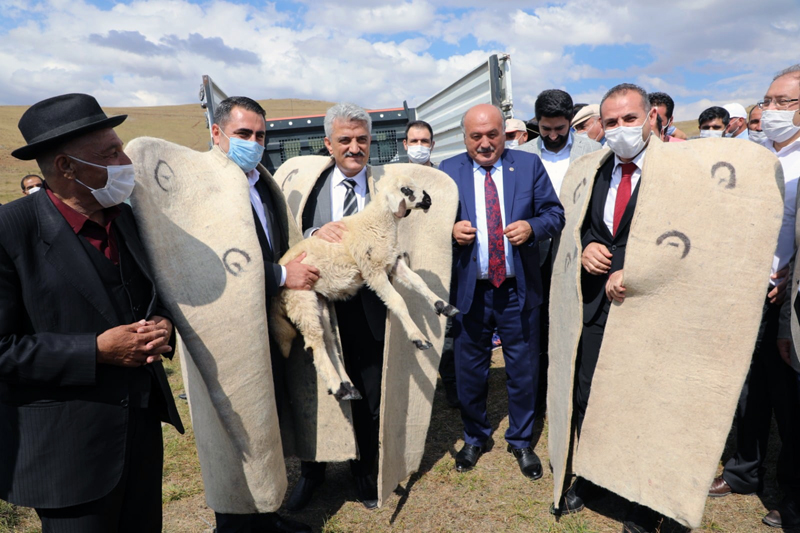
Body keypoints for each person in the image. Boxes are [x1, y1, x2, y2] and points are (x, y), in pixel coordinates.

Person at [0, 93, 184, 532]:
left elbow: (149, 295)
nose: (126, 161)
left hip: (140, 433)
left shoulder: (126, 219)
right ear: (67, 166)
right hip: (67, 454)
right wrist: (95, 351)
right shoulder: (10, 231)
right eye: (111, 153)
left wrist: (164, 323)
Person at [556, 83, 665, 532]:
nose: (621, 129)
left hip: (652, 311)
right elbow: (581, 224)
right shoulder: (593, 169)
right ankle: (594, 473)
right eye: (612, 121)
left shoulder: (677, 171)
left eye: (630, 119)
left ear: (652, 117)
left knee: (644, 403)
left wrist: (636, 269)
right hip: (597, 307)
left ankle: (644, 497)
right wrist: (585, 246)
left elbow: (689, 242)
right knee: (590, 396)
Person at [440, 103, 565, 480]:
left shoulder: (527, 166)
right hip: (471, 292)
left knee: (523, 368)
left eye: (492, 134)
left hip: (517, 290)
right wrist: (449, 231)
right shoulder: (448, 170)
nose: (484, 143)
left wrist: (532, 227)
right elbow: (429, 224)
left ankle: (521, 440)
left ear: (503, 134)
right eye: (475, 136)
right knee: (469, 370)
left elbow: (554, 214)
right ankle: (474, 437)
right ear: (464, 138)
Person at [209, 96, 315, 533]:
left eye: (260, 135)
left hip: (267, 322)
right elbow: (214, 261)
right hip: (229, 332)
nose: (253, 143)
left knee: (264, 423)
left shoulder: (262, 183)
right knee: (236, 431)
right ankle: (235, 523)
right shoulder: (206, 189)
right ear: (216, 133)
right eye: (243, 134)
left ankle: (266, 515)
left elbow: (275, 242)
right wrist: (282, 275)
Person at [286, 103, 386, 512]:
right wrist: (314, 232)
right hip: (319, 304)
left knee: (368, 390)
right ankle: (313, 473)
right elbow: (288, 232)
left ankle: (365, 470)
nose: (354, 147)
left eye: (361, 139)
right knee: (314, 392)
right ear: (329, 144)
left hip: (368, 309)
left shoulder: (384, 186)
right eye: (345, 140)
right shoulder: (307, 188)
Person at [713, 64, 800, 531]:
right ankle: (742, 471)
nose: (771, 110)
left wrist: (792, 276)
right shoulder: (756, 156)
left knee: (789, 403)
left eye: (784, 102)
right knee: (747, 391)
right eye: (768, 101)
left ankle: (793, 496)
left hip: (786, 300)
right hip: (744, 291)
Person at [518, 89, 602, 196]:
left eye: (559, 128)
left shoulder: (592, 149)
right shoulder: (521, 154)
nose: (553, 136)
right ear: (538, 122)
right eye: (546, 129)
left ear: (571, 120)